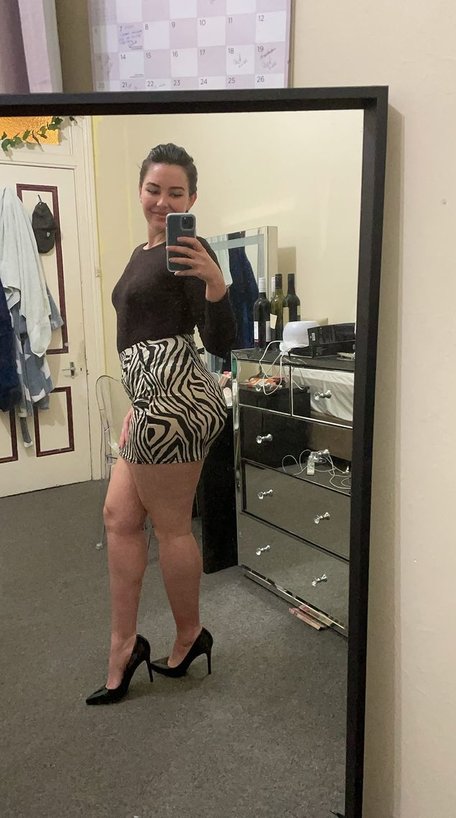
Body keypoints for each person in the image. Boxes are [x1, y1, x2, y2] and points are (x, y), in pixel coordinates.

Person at [86, 143, 236, 705]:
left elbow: (220, 343)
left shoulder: (190, 252)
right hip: (150, 400)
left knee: (170, 526)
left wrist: (216, 286)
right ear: (140, 190)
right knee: (119, 517)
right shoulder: (139, 253)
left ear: (191, 199)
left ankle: (187, 635)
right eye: (154, 189)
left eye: (176, 192)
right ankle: (125, 645)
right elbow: (140, 331)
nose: (162, 201)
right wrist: (136, 396)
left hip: (176, 403)